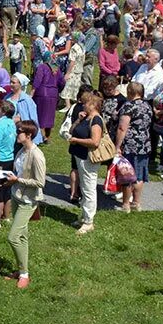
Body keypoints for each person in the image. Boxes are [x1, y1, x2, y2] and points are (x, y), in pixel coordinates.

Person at [4, 121, 45, 288]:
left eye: (19, 132)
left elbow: (40, 182)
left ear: (28, 135)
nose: (16, 134)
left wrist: (17, 180)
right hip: (16, 195)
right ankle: (22, 271)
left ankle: (24, 275)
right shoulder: (21, 150)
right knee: (22, 236)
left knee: (13, 237)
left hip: (28, 201)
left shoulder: (37, 155)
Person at [115, 81, 153, 212]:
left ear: (129, 92)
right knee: (139, 175)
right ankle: (136, 202)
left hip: (130, 144)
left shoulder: (128, 106)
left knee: (127, 175)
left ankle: (125, 204)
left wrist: (117, 146)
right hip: (144, 144)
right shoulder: (148, 106)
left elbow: (122, 127)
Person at [69, 91, 104, 234]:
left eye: (86, 103)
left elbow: (95, 142)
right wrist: (78, 120)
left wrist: (77, 141)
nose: (83, 105)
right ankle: (83, 216)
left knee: (89, 189)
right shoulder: (85, 117)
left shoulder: (96, 120)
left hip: (88, 158)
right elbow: (71, 131)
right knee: (83, 187)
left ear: (93, 105)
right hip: (80, 156)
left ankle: (89, 221)